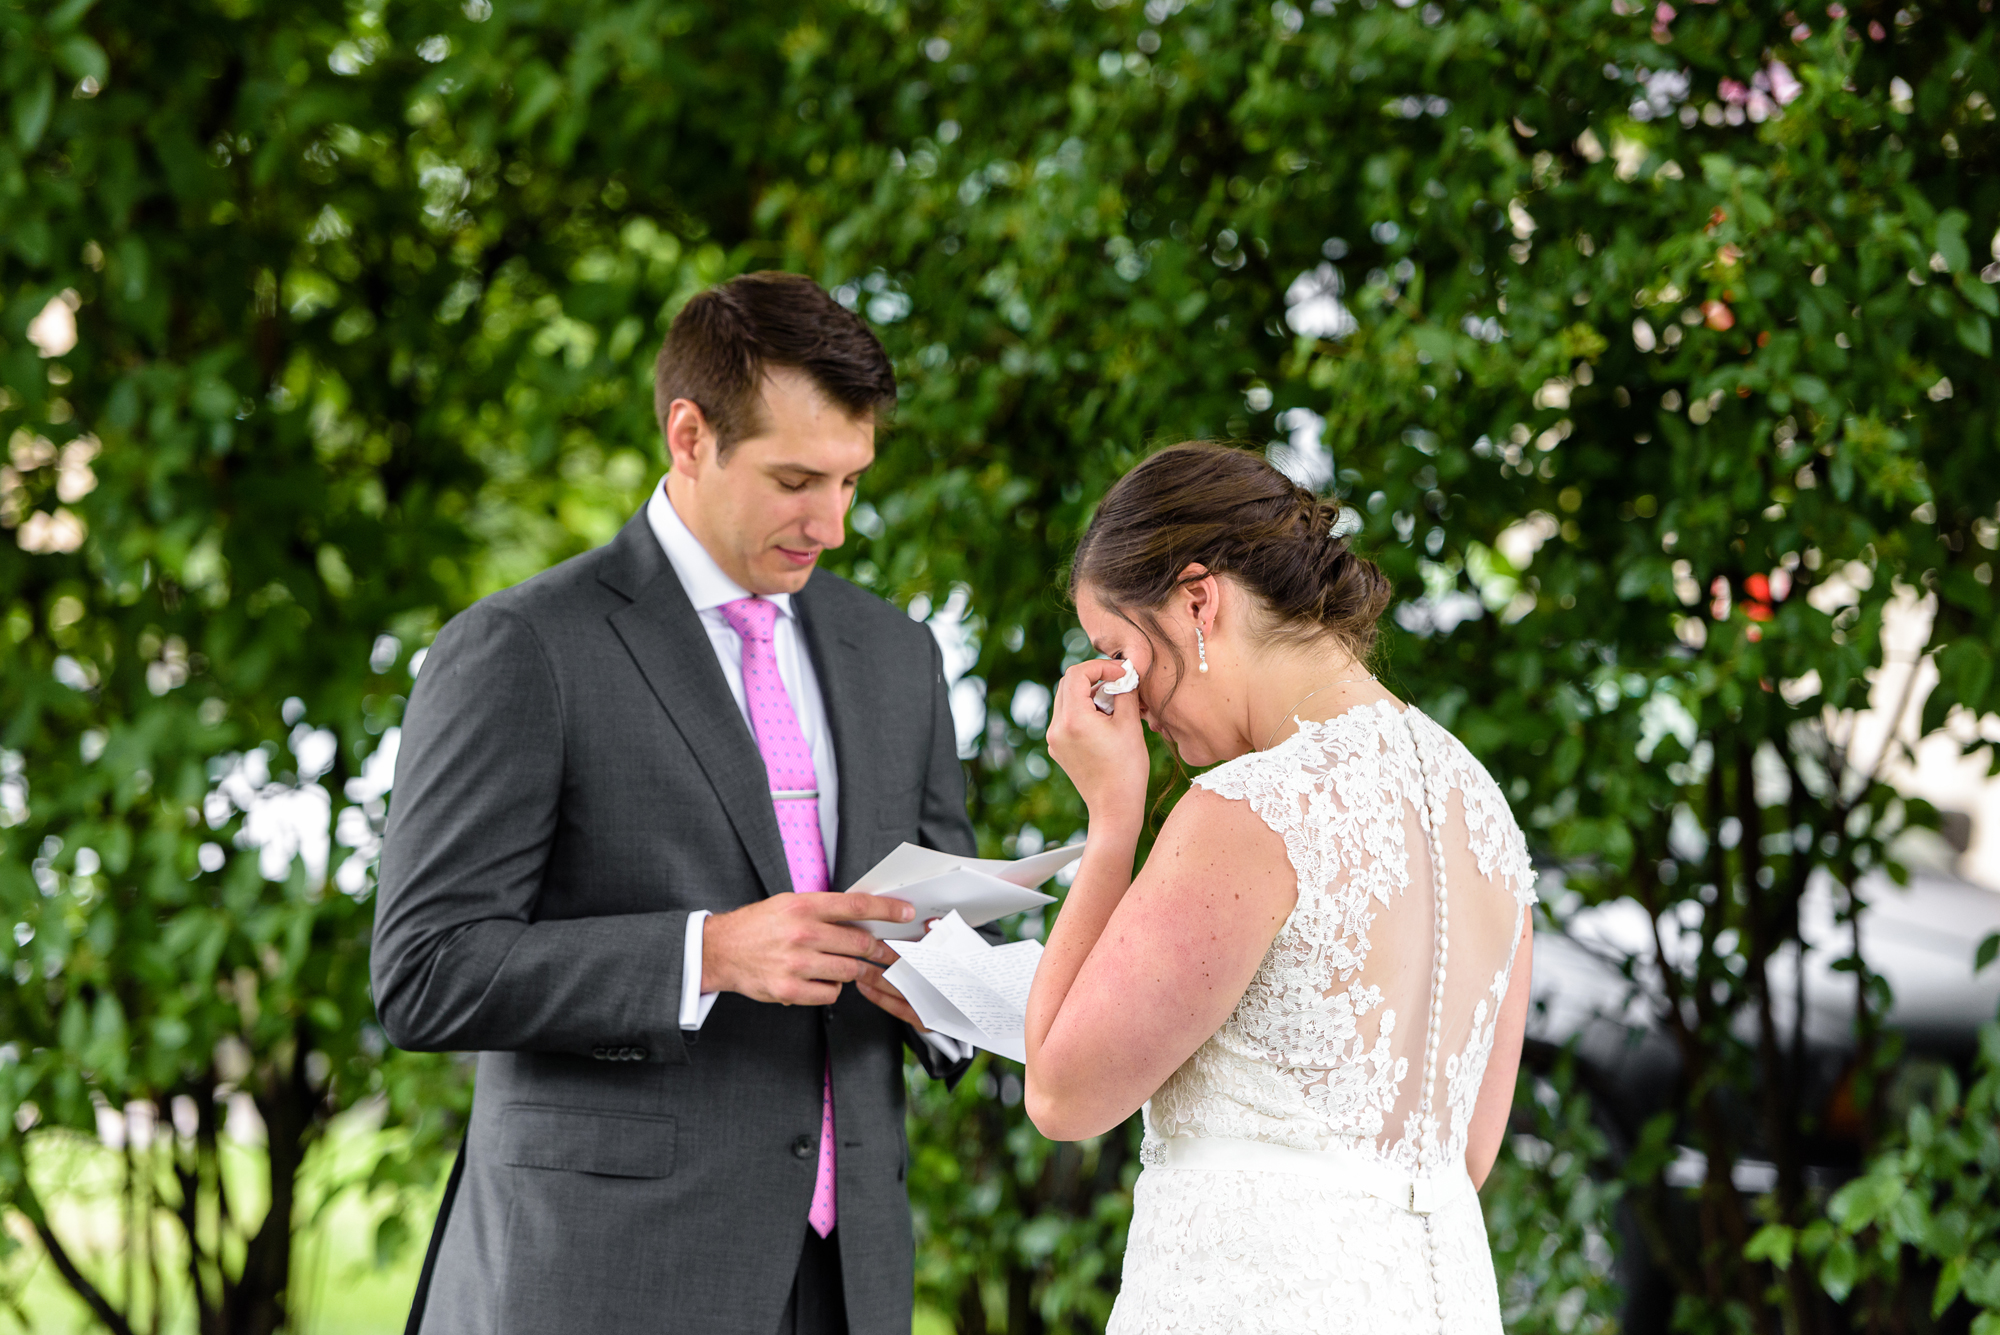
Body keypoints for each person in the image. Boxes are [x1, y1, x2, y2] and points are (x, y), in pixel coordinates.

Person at [371, 271, 978, 1335]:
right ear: (688, 436)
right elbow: (427, 974)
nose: (830, 524)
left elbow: (944, 913)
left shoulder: (894, 652)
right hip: (602, 1280)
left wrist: (944, 991)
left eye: (849, 481)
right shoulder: (523, 649)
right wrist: (708, 954)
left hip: (849, 1282)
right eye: (795, 480)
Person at [1025, 442, 1538, 1333]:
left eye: (1117, 650)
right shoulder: (1484, 808)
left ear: (1196, 600)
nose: (1126, 700)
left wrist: (1114, 821)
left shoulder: (1249, 809)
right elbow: (1465, 1153)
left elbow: (1062, 1095)